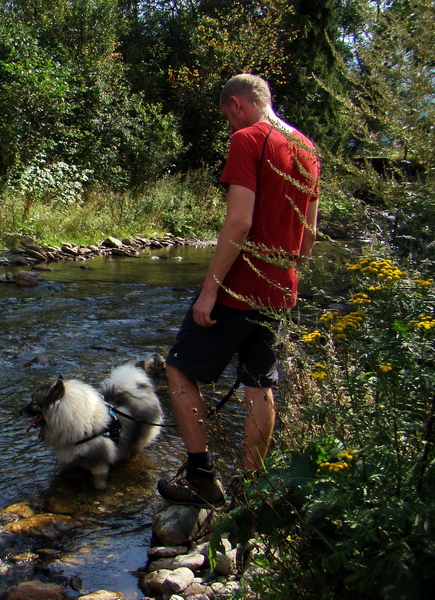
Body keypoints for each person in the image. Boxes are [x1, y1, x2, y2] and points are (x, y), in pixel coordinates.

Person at [157, 74, 320, 508]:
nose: (230, 125)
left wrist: (210, 290)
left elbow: (239, 221)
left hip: (240, 287)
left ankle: (201, 476)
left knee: (178, 368)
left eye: (227, 116)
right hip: (279, 288)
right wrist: (291, 279)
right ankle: (252, 490)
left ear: (236, 104)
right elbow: (309, 231)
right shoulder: (307, 148)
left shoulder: (249, 139)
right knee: (258, 383)